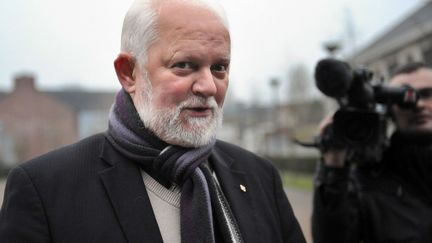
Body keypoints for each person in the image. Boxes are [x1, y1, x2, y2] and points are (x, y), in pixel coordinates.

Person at [0, 0, 306, 242]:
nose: (209, 86)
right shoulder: (44, 190)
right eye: (185, 65)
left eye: (220, 67)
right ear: (129, 73)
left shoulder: (260, 177)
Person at [312, 62, 432, 243]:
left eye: (427, 94)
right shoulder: (365, 181)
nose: (419, 104)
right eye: (404, 100)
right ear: (390, 109)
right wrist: (333, 167)